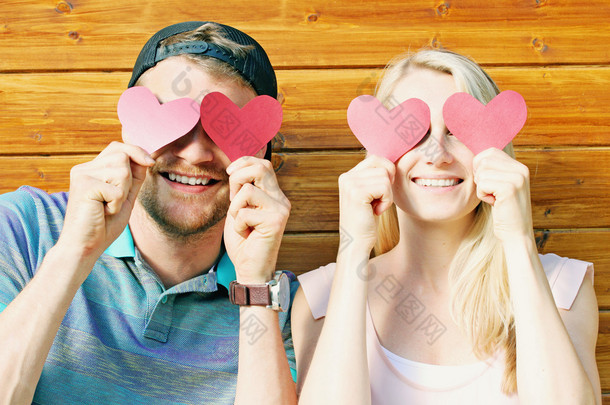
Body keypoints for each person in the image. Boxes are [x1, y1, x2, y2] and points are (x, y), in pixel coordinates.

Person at [0, 21, 298, 404]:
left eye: (223, 129)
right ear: (129, 127)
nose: (194, 154)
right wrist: (75, 252)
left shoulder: (278, 302)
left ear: (259, 154)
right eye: (173, 119)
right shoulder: (24, 228)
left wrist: (255, 281)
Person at [292, 49, 601, 404]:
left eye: (458, 131)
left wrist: (518, 241)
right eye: (414, 131)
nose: (437, 155)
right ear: (377, 149)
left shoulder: (563, 288)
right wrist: (353, 249)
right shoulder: (321, 297)